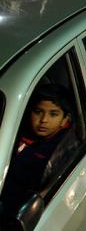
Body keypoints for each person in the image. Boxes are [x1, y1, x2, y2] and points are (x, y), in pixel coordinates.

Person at [1, 85, 74, 220]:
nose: (44, 120)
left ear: (65, 119)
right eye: (38, 111)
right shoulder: (15, 129)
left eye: (53, 114)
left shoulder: (60, 150)